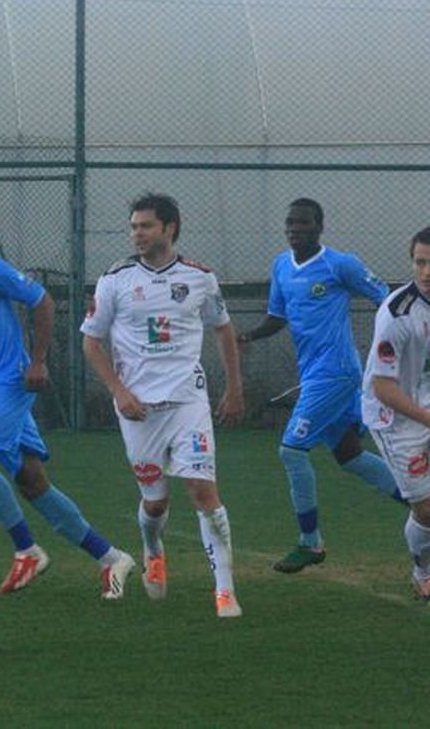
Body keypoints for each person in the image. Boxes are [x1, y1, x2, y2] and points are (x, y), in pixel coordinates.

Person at [0, 201, 136, 597]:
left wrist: (38, 360)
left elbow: (42, 301)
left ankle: (26, 550)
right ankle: (111, 557)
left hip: (12, 380)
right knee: (32, 483)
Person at [80, 193, 245, 618]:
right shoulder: (115, 279)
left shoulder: (199, 278)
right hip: (137, 409)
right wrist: (119, 391)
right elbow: (91, 342)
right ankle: (153, 548)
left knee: (203, 491)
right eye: (133, 226)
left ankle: (224, 591)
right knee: (156, 502)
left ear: (169, 228)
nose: (137, 233)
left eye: (145, 226)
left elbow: (223, 330)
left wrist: (234, 387)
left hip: (188, 400)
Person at [238, 198, 402, 573]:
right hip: (313, 373)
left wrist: (393, 347)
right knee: (350, 456)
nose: (295, 229)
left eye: (303, 223)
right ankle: (423, 504)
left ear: (319, 226)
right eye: (290, 223)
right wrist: (246, 337)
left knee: (291, 451)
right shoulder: (281, 266)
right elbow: (277, 318)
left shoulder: (339, 264)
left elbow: (388, 302)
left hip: (337, 372)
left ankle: (310, 544)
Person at [362, 227, 430, 601]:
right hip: (395, 417)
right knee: (426, 509)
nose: (426, 272)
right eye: (420, 262)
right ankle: (422, 570)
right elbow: (383, 388)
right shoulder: (396, 314)